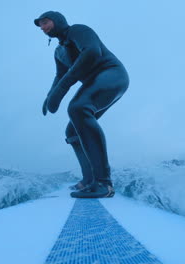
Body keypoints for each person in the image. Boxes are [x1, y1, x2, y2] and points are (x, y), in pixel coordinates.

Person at [34, 11, 129, 198]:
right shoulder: (59, 51)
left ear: (58, 20)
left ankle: (104, 183)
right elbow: (60, 76)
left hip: (112, 74)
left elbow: (92, 52)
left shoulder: (78, 31)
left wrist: (61, 89)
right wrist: (49, 96)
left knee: (78, 107)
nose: (43, 28)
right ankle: (89, 180)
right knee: (72, 131)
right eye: (40, 25)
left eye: (46, 22)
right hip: (94, 83)